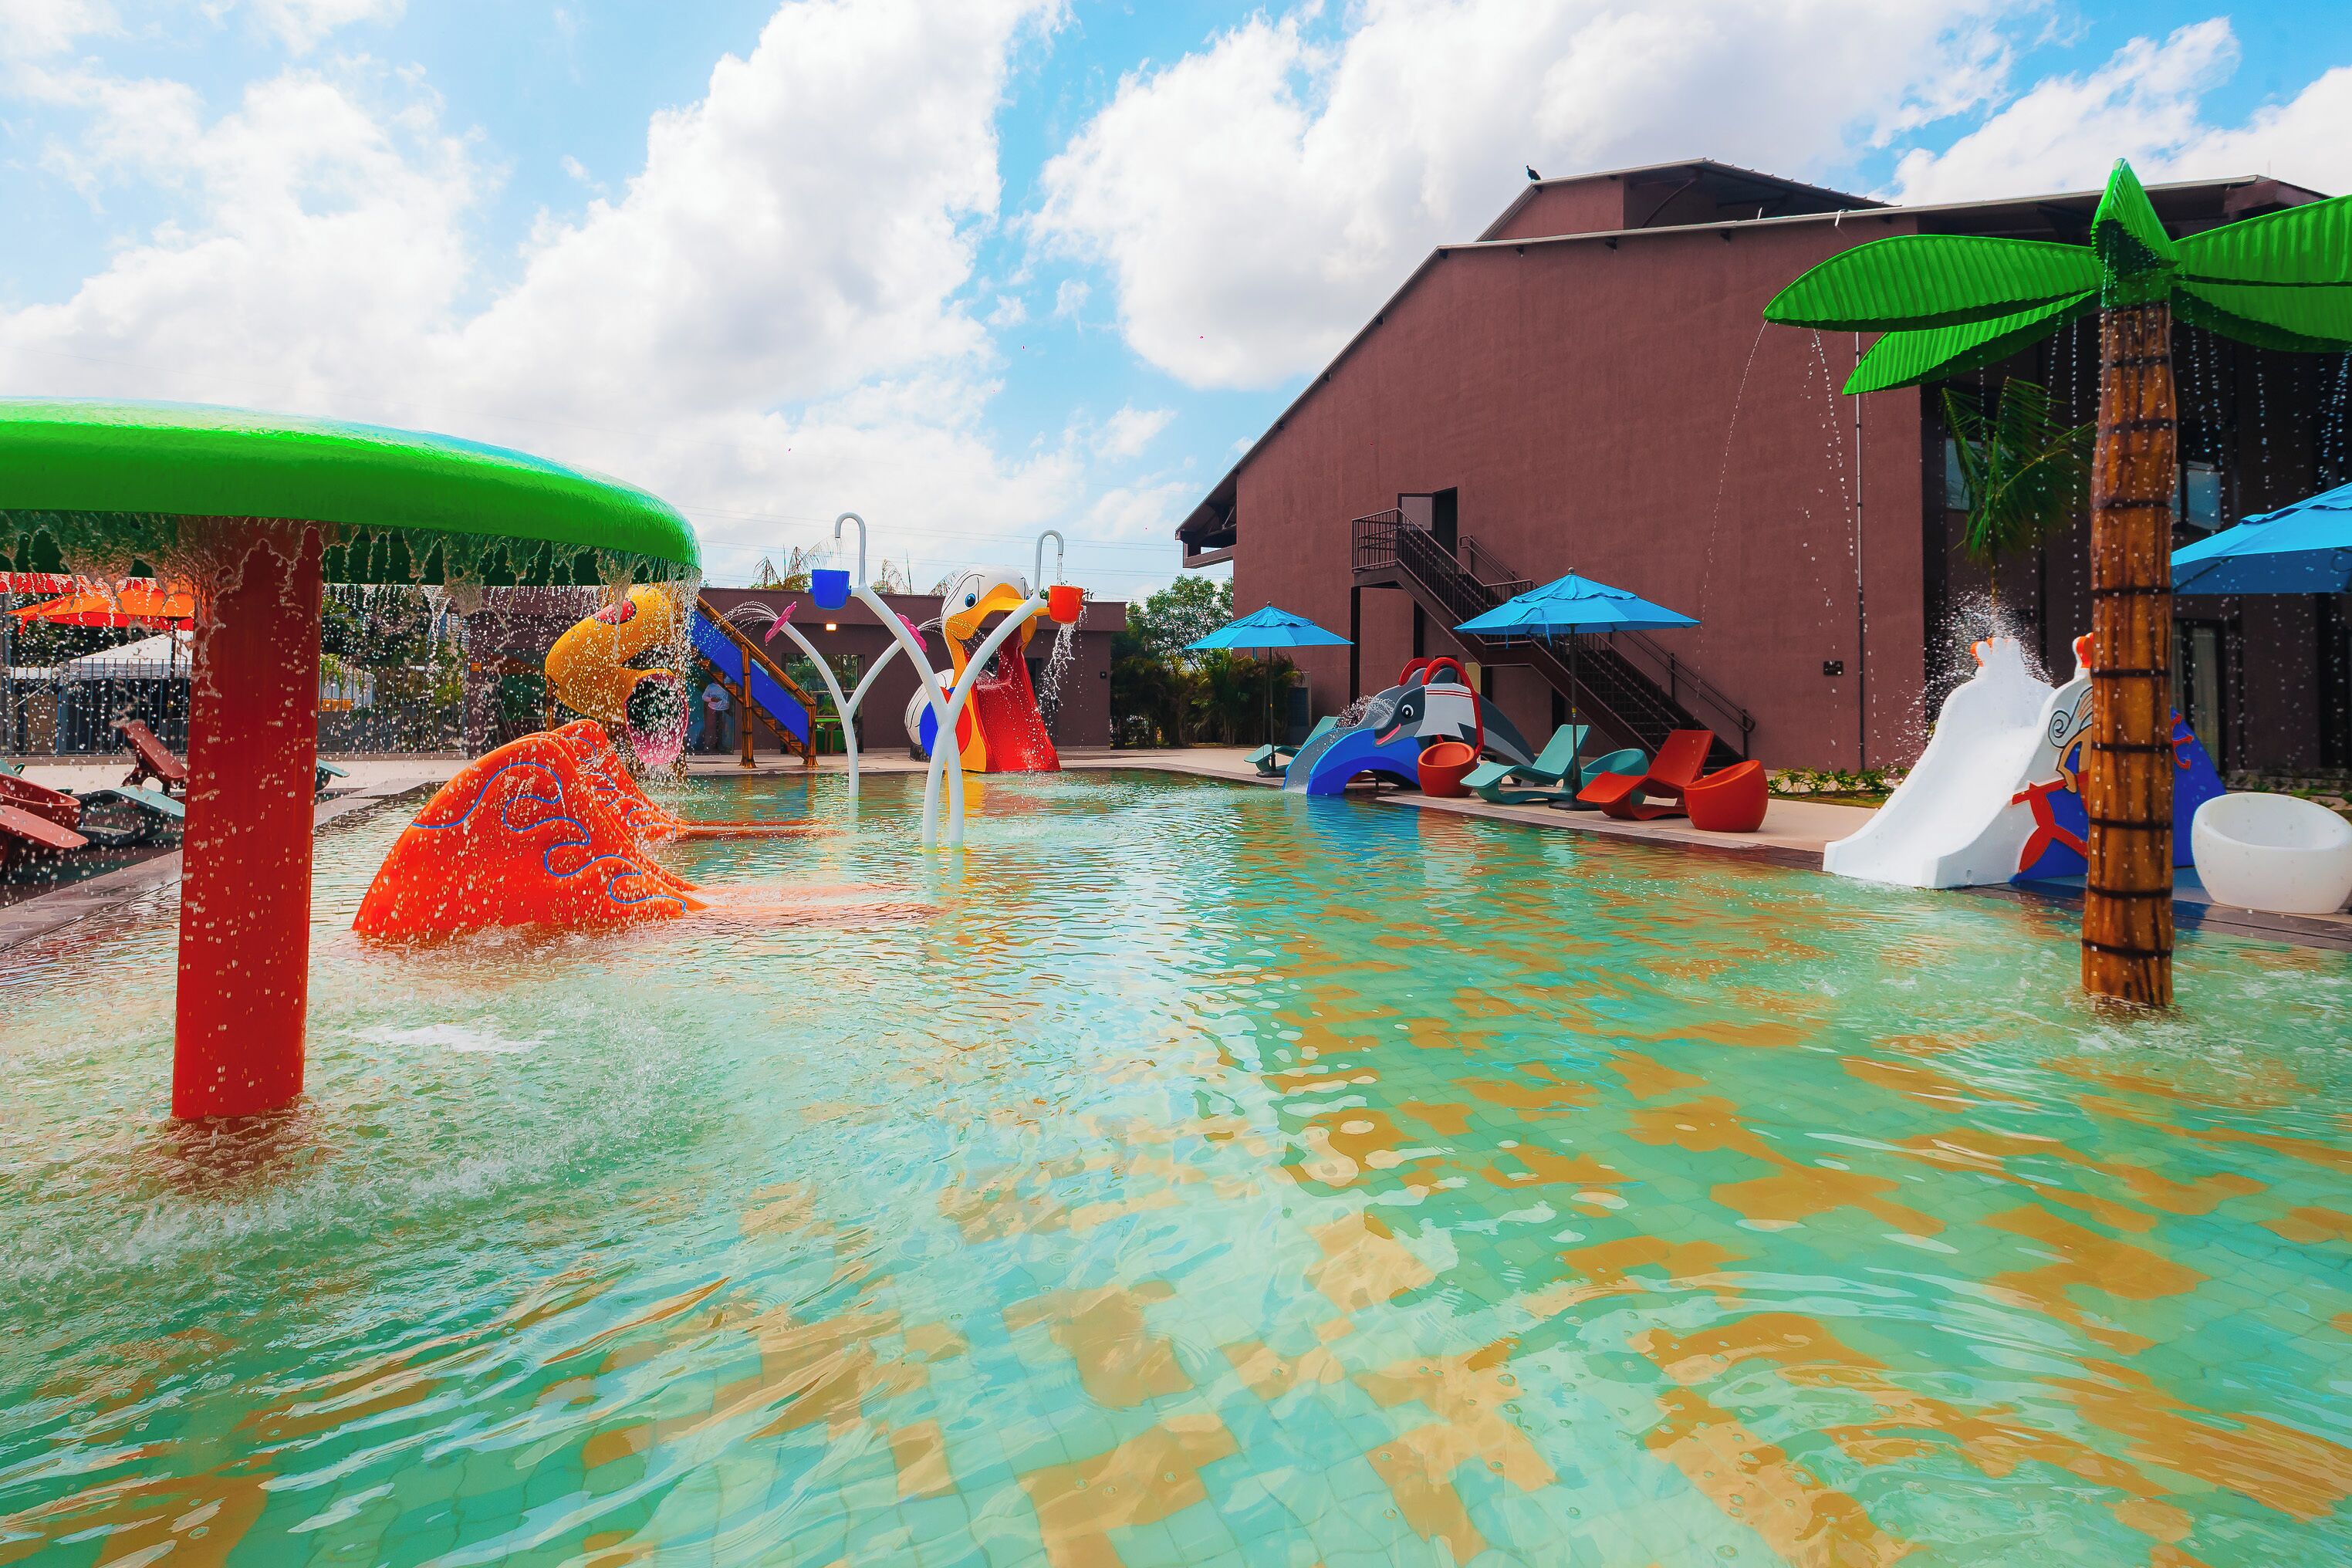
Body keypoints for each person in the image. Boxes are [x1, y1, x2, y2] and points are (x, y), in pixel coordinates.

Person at [699, 678, 732, 754]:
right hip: (713, 708)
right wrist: (712, 699)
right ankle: (708, 746)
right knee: (711, 728)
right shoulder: (711, 687)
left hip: (724, 709)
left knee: (722, 728)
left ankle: (721, 745)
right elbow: (704, 697)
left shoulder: (725, 686)